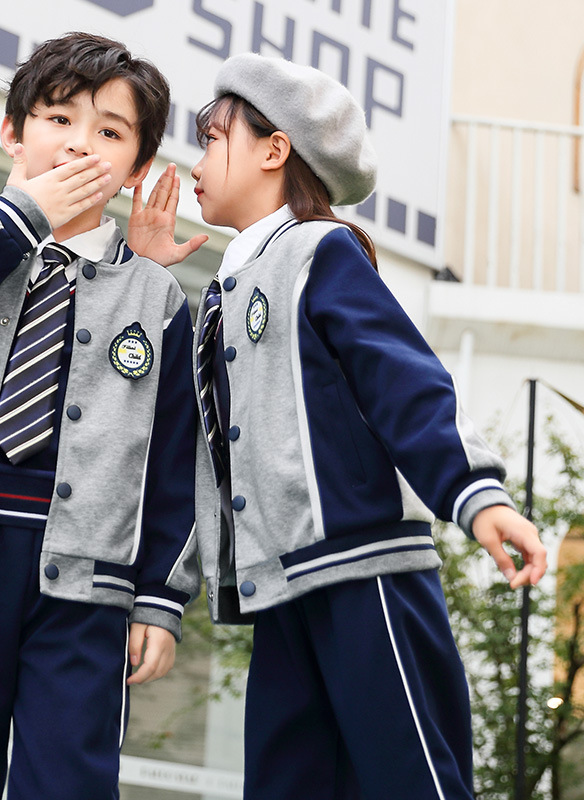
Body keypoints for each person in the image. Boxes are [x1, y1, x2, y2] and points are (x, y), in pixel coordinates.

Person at [135, 53, 547, 799]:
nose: (195, 163)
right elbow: (197, 455)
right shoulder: (224, 293)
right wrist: (145, 276)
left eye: (213, 139)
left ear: (275, 148)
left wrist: (476, 493)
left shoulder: (319, 250)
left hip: (365, 572)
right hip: (282, 588)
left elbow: (401, 378)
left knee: (413, 781)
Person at [0, 32, 201, 800]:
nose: (80, 143)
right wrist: (19, 215)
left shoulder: (154, 297)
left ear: (138, 167)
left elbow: (176, 460)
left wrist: (160, 597)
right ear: (13, 134)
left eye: (110, 132)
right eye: (58, 119)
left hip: (90, 581)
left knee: (70, 780)